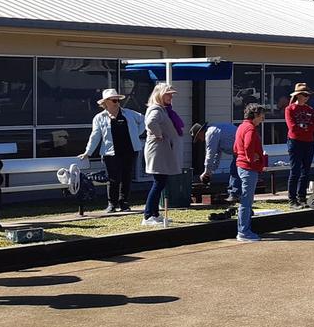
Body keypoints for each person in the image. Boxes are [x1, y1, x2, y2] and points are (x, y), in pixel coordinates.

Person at [79, 88, 144, 213]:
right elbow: (95, 135)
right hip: (110, 152)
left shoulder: (129, 113)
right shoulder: (99, 118)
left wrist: (137, 133)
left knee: (126, 177)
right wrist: (88, 152)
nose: (117, 102)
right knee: (113, 179)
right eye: (114, 100)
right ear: (106, 102)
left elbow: (144, 120)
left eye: (118, 100)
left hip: (130, 150)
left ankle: (124, 203)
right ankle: (112, 204)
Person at [142, 82, 183, 226]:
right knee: (159, 182)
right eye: (168, 94)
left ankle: (154, 213)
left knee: (160, 182)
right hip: (158, 151)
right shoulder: (156, 109)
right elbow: (150, 122)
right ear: (159, 94)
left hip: (162, 151)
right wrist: (159, 135)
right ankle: (147, 216)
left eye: (171, 94)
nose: (171, 96)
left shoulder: (163, 109)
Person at [233, 103, 268, 242]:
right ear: (255, 115)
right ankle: (243, 231)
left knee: (246, 199)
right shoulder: (250, 129)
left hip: (241, 165)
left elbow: (236, 148)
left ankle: (244, 229)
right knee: (247, 200)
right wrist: (252, 158)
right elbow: (247, 146)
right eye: (261, 115)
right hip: (248, 167)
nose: (263, 118)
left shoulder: (241, 126)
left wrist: (246, 156)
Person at [284, 83, 314, 208]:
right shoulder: (290, 109)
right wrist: (307, 127)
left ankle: (302, 197)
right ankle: (292, 199)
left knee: (306, 171)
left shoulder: (310, 109)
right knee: (295, 171)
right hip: (295, 142)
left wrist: (304, 127)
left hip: (309, 142)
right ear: (298, 95)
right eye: (304, 95)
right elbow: (292, 128)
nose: (307, 97)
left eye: (308, 95)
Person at [189, 121, 240, 203]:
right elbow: (216, 155)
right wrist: (211, 172)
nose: (200, 140)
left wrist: (206, 172)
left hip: (242, 148)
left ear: (200, 132)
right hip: (238, 149)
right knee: (235, 170)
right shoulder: (214, 131)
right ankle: (236, 193)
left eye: (198, 137)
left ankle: (235, 195)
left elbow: (210, 155)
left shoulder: (210, 133)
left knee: (234, 171)